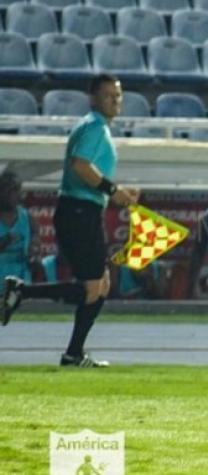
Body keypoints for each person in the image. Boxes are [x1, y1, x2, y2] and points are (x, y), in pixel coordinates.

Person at [2, 74, 139, 367]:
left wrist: (117, 192)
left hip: (82, 211)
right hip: (79, 211)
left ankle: (74, 353)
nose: (115, 101)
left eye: (118, 96)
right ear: (93, 98)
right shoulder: (93, 127)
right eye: (108, 96)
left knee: (100, 284)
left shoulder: (94, 126)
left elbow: (86, 168)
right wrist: (113, 191)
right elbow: (80, 165)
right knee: (92, 287)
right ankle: (22, 291)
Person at [0, 171, 41, 286]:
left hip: (21, 284)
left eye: (15, 190)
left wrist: (34, 249)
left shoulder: (27, 218)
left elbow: (36, 241)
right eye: (7, 190)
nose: (12, 195)